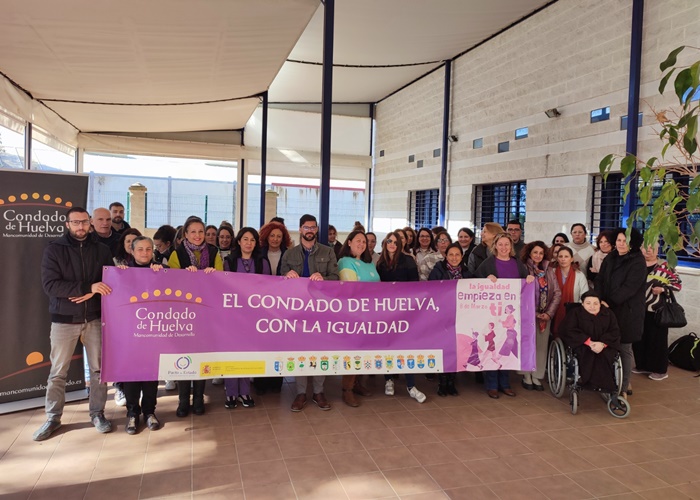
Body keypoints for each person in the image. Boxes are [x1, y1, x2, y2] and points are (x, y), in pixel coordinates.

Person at [34, 207, 113, 441]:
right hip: (64, 320)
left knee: (99, 371)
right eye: (75, 222)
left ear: (90, 223)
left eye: (84, 222)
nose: (81, 227)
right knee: (58, 372)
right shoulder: (54, 249)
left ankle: (97, 413)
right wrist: (87, 288)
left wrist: (92, 293)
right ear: (67, 224)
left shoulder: (102, 250)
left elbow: (110, 281)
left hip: (96, 318)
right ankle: (53, 417)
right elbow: (51, 286)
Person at [281, 214, 339, 412]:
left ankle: (318, 392)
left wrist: (324, 277)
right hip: (297, 312)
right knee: (299, 350)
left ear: (316, 230)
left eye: (313, 227)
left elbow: (336, 277)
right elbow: (278, 283)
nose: (310, 231)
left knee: (320, 349)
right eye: (306, 227)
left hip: (321, 311)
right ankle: (300, 393)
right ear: (300, 229)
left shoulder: (328, 252)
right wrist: (286, 276)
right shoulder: (289, 254)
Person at [168, 216, 223, 417]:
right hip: (184, 313)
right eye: (193, 232)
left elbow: (222, 279)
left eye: (201, 231)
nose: (198, 235)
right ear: (185, 234)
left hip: (207, 313)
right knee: (184, 356)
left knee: (201, 356)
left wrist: (213, 274)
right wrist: (184, 274)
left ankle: (199, 398)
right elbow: (171, 282)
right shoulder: (177, 253)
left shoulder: (215, 252)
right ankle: (183, 401)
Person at [475, 232, 535, 399]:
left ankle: (505, 384)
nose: (503, 248)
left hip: (510, 316)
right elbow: (475, 280)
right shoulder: (488, 263)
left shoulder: (517, 264)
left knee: (506, 348)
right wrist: (486, 278)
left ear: (511, 247)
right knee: (493, 346)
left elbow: (524, 283)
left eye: (506, 245)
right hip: (492, 314)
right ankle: (492, 385)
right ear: (495, 246)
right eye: (500, 244)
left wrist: (529, 279)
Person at [115, 236, 163, 434]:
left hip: (153, 331)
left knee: (151, 375)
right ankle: (133, 413)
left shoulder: (161, 271)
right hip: (130, 332)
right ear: (132, 252)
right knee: (131, 375)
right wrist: (120, 276)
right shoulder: (121, 272)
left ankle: (150, 412)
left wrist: (163, 275)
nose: (145, 253)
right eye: (140, 249)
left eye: (148, 249)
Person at [594, 227, 646, 398]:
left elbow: (629, 288)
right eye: (619, 240)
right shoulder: (611, 257)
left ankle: (622, 388)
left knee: (624, 348)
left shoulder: (638, 261)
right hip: (606, 309)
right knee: (606, 347)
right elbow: (600, 279)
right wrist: (599, 299)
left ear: (633, 243)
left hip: (627, 312)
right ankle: (607, 384)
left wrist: (609, 301)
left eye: (625, 241)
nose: (622, 244)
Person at [222, 227, 271, 409]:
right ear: (239, 241)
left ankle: (244, 391)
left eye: (252, 240)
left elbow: (268, 288)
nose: (248, 243)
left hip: (254, 317)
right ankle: (230, 392)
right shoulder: (229, 261)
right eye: (245, 239)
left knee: (247, 353)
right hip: (233, 316)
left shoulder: (262, 262)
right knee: (231, 353)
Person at [376, 231, 426, 403]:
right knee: (388, 346)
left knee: (406, 347)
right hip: (386, 312)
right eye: (389, 241)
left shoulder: (408, 260)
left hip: (405, 311)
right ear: (385, 243)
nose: (392, 244)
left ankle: (411, 385)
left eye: (396, 242)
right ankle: (388, 380)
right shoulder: (380, 262)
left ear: (400, 245)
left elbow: (414, 286)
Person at [337, 230, 382, 406]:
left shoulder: (369, 263)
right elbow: (350, 289)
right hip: (353, 315)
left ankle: (357, 383)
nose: (362, 244)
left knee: (364, 351)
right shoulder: (344, 262)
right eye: (358, 241)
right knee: (353, 351)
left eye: (364, 241)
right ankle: (346, 389)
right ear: (349, 242)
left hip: (371, 314)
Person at [632, 241, 682, 381]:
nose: (648, 251)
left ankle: (660, 370)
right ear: (640, 249)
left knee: (657, 340)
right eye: (645, 248)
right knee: (639, 339)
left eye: (652, 248)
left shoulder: (665, 266)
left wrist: (663, 289)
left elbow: (677, 285)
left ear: (657, 250)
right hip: (637, 309)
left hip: (657, 310)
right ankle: (642, 365)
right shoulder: (636, 264)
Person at [429, 243, 472, 396]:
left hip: (461, 317)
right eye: (451, 255)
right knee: (444, 349)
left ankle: (451, 382)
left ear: (462, 257)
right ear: (446, 256)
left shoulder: (467, 273)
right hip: (442, 317)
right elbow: (431, 292)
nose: (454, 258)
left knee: (456, 349)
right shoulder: (437, 271)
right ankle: (442, 382)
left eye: (457, 255)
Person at [559, 291, 621, 395]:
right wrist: (589, 342)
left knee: (606, 356)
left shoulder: (608, 314)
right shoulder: (575, 313)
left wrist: (603, 344)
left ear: (600, 304)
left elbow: (614, 331)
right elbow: (568, 330)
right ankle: (589, 382)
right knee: (587, 355)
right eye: (588, 303)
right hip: (582, 344)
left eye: (595, 303)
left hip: (604, 346)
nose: (592, 306)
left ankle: (606, 385)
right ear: (582, 303)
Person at [518, 241, 561, 391]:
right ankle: (526, 375)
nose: (538, 255)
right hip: (527, 316)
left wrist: (549, 314)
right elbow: (520, 293)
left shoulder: (549, 270)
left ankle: (537, 375)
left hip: (544, 316)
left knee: (541, 347)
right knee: (527, 345)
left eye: (541, 253)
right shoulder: (523, 268)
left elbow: (557, 293)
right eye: (535, 252)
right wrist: (533, 313)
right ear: (529, 253)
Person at [552, 246, 589, 336]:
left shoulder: (579, 275)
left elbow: (585, 296)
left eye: (566, 256)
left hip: (574, 314)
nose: (563, 259)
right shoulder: (551, 273)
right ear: (557, 258)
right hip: (553, 313)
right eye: (560, 257)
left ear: (571, 259)